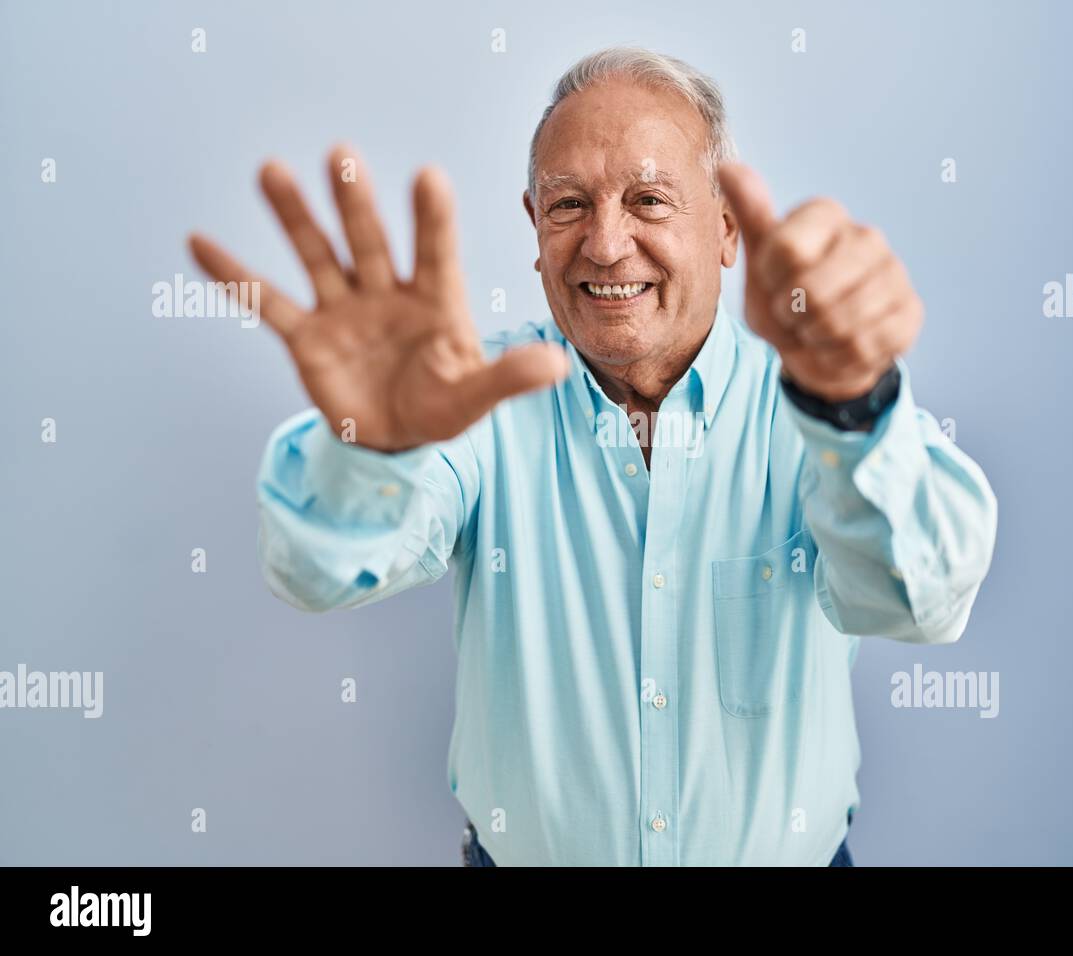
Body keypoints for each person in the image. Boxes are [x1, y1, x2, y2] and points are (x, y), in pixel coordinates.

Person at [189, 47, 998, 866]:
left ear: (724, 226)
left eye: (648, 199)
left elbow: (920, 599)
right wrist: (378, 447)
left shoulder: (817, 402)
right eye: (569, 204)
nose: (606, 246)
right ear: (534, 230)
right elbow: (314, 572)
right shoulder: (470, 400)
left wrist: (853, 406)